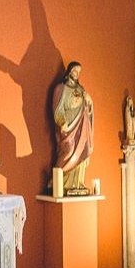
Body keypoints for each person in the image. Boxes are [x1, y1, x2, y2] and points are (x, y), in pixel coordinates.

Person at [51, 61, 94, 195]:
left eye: (79, 72)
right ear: (69, 71)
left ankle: (77, 183)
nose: (77, 74)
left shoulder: (81, 90)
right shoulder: (61, 89)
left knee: (83, 150)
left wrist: (89, 102)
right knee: (69, 150)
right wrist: (62, 121)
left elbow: (87, 108)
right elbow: (57, 107)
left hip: (81, 126)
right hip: (69, 127)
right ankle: (58, 182)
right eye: (75, 71)